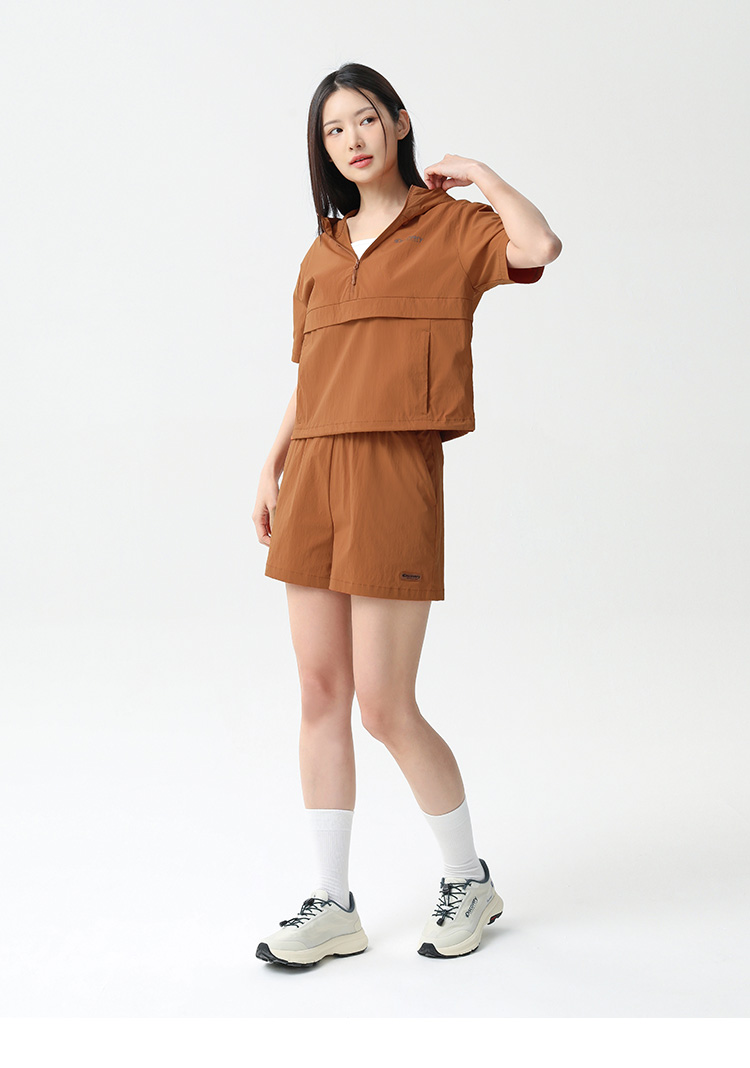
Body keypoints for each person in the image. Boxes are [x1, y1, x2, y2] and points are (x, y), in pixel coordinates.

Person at [252, 63, 562, 967]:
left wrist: (483, 177)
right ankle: (331, 901)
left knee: (385, 707)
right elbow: (313, 374)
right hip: (314, 472)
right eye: (333, 129)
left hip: (393, 470)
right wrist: (270, 463)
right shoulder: (321, 252)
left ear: (397, 122)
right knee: (320, 693)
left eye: (364, 119)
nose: (351, 139)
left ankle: (469, 878)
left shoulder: (454, 227)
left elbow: (540, 246)